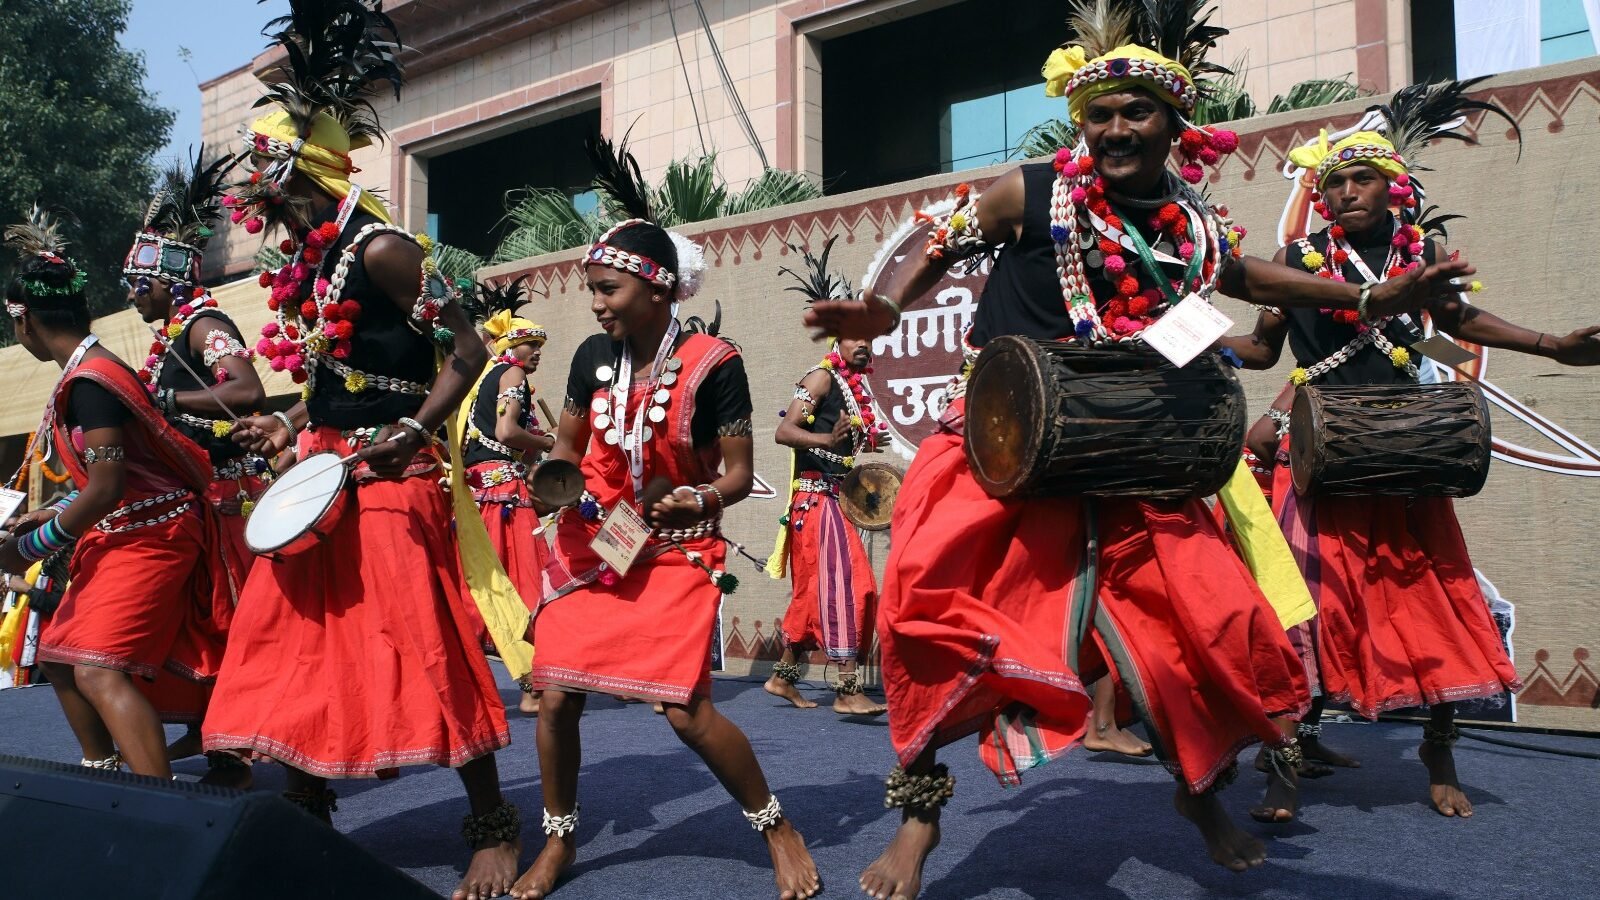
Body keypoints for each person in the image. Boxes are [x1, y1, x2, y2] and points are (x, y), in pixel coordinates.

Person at [805, 2, 1477, 893]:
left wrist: (1367, 299)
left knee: (1198, 632)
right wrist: (885, 309)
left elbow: (1242, 277)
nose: (1116, 129)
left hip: (1131, 455)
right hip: (996, 453)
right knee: (926, 621)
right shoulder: (1028, 192)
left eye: (1137, 112)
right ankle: (920, 819)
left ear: (1174, 124)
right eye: (1100, 114)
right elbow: (941, 243)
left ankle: (1198, 793)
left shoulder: (1189, 221)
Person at [196, 6, 520, 899]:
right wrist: (290, 421)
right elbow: (338, 376)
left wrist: (412, 432)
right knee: (291, 641)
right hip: (322, 468)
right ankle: (305, 811)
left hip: (393, 474)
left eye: (264, 177)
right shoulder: (311, 262)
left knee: (423, 640)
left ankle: (493, 827)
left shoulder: (383, 250)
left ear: (299, 173)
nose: (255, 197)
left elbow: (468, 351)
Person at [1222, 78, 1600, 820]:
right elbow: (1265, 349)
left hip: (1402, 451)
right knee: (1306, 610)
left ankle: (1438, 748)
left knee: (1432, 603)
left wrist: (1551, 345)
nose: (1345, 193)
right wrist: (1190, 343)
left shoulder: (1419, 251)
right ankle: (1286, 765)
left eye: (1362, 179)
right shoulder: (1298, 256)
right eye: (1334, 183)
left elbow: (1449, 324)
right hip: (1320, 453)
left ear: (1393, 186)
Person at [509, 136, 819, 900]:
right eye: (593, 289)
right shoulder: (591, 357)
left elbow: (738, 475)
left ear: (655, 289)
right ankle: (559, 843)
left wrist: (702, 497)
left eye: (608, 289)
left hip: (680, 544)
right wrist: (553, 483)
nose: (596, 303)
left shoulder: (715, 362)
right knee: (556, 695)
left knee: (684, 712)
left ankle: (777, 827)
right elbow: (566, 450)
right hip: (598, 538)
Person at [0, 208, 235, 780]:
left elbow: (108, 486)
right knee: (59, 656)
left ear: (25, 323)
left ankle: (159, 805)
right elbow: (114, 479)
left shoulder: (93, 381)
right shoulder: (90, 372)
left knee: (97, 668)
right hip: (128, 528)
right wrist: (50, 512)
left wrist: (28, 550)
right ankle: (103, 771)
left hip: (154, 535)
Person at [124, 148, 269, 782]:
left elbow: (246, 390)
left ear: (168, 280)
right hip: (197, 496)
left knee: (223, 621)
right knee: (195, 623)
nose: (133, 296)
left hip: (225, 501)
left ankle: (233, 750)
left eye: (140, 284)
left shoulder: (205, 324)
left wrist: (159, 401)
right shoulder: (175, 335)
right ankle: (211, 730)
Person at [764, 238, 887, 716]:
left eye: (868, 339)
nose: (863, 345)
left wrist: (861, 443)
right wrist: (826, 440)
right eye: (855, 337)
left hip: (830, 501)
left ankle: (783, 677)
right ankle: (847, 689)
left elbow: (836, 441)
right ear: (838, 340)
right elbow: (784, 431)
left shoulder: (852, 388)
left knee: (814, 592)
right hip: (814, 502)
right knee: (850, 587)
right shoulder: (820, 377)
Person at [459, 277, 555, 716]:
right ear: (510, 346)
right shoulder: (512, 373)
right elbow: (506, 431)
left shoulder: (481, 380)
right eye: (531, 344)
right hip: (504, 495)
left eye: (539, 345)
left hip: (479, 494)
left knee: (481, 587)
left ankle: (471, 685)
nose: (537, 352)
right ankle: (532, 685)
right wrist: (549, 442)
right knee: (523, 582)